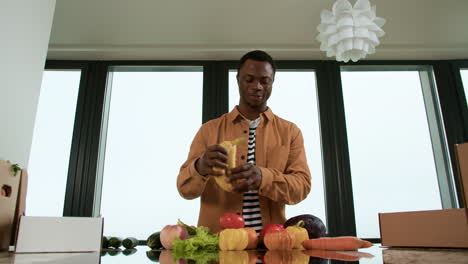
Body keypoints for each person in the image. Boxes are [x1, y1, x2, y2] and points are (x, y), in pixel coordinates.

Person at [177, 50, 311, 234]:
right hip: (218, 244)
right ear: (238, 80)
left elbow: (301, 187)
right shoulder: (208, 130)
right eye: (249, 79)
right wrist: (199, 167)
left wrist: (263, 177)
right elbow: (185, 190)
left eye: (264, 81)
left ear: (272, 83)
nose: (257, 86)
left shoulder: (290, 132)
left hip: (271, 243)